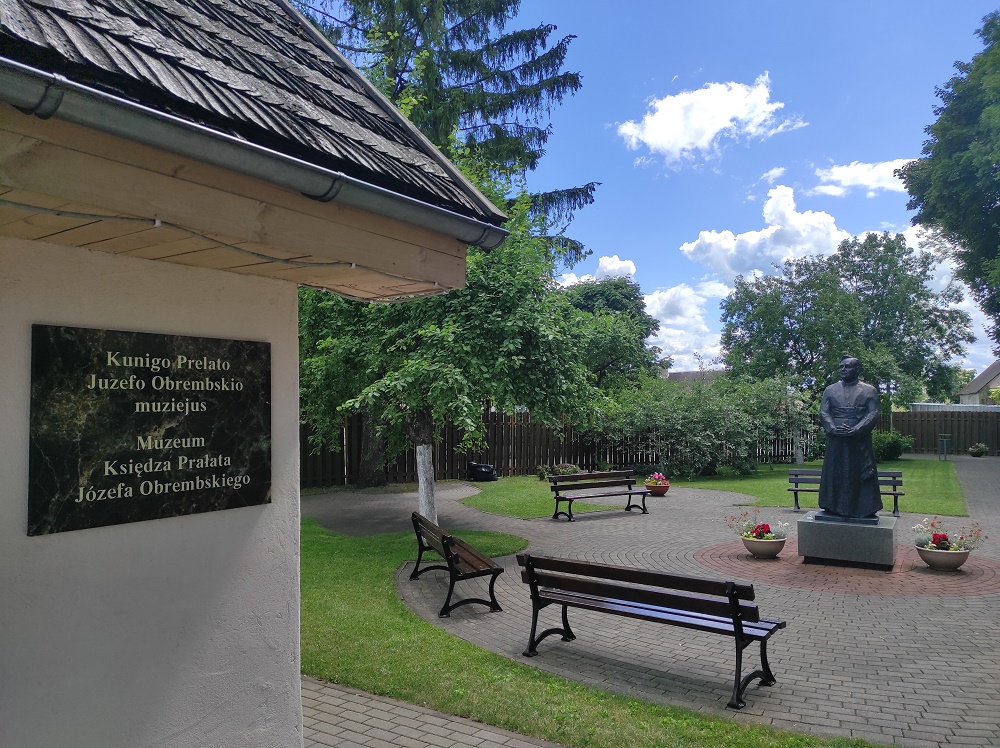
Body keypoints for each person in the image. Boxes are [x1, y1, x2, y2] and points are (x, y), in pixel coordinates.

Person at [818, 356, 882, 519]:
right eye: (841, 367)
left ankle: (862, 507)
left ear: (858, 369)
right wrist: (833, 428)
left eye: (848, 366)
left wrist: (856, 429)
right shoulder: (830, 390)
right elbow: (824, 412)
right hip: (836, 440)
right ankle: (832, 505)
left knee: (860, 474)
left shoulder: (869, 390)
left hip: (859, 442)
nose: (843, 369)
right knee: (835, 472)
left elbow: (873, 413)